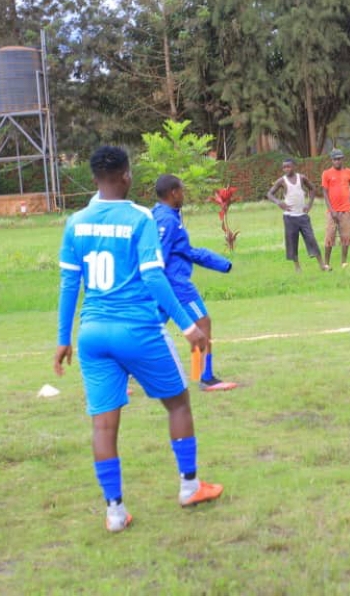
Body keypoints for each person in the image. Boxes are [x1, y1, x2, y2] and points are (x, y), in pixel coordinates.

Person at [54, 146, 223, 534]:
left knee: (103, 425)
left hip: (93, 333)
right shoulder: (140, 218)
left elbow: (69, 283)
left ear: (95, 177)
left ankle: (115, 513)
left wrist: (64, 339)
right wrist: (187, 325)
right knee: (178, 403)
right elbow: (153, 277)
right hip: (138, 330)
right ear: (127, 176)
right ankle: (190, 487)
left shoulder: (75, 222)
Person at [154, 174, 238, 392]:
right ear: (173, 193)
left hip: (167, 284)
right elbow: (158, 258)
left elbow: (185, 251)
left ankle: (118, 378)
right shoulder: (167, 220)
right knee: (202, 323)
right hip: (176, 286)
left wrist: (219, 263)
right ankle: (205, 377)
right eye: (181, 190)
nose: (184, 194)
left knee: (148, 328)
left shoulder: (164, 215)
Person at [267, 159, 330, 272]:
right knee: (292, 241)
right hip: (289, 217)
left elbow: (312, 188)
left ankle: (322, 265)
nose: (287, 169)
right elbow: (269, 194)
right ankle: (297, 267)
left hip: (302, 216)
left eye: (289, 167)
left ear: (294, 166)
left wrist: (309, 204)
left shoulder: (302, 178)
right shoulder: (282, 181)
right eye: (284, 167)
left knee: (311, 239)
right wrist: (279, 202)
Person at [321, 149, 350, 269]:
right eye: (335, 159)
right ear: (332, 160)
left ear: (343, 159)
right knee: (329, 236)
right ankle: (326, 263)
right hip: (332, 212)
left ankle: (344, 262)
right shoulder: (326, 173)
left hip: (346, 210)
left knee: (346, 236)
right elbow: (325, 192)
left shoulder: (348, 172)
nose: (338, 161)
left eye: (340, 159)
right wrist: (331, 210)